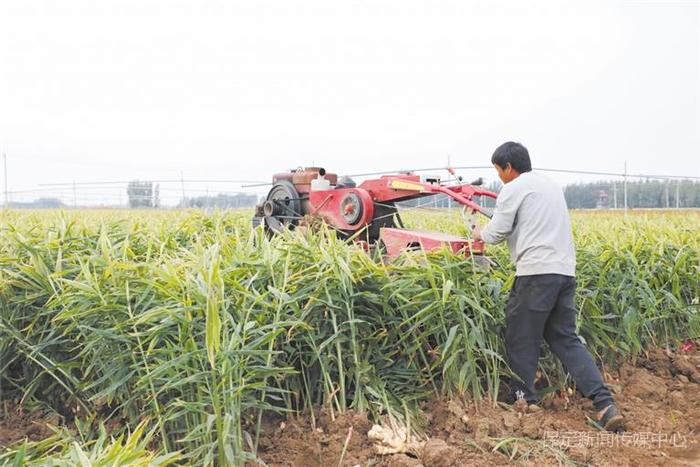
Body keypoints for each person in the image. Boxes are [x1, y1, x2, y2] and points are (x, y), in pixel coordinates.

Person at [472, 141, 624, 432]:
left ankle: (522, 398)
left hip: (536, 274)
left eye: (498, 170)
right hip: (565, 273)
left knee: (520, 335)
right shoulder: (550, 186)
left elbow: (498, 231)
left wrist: (479, 233)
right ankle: (605, 404)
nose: (500, 176)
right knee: (566, 339)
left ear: (508, 167)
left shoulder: (513, 188)